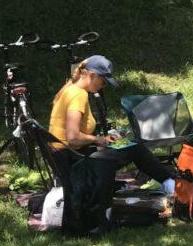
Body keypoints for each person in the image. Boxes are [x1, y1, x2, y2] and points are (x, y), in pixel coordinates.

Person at [48, 55, 176, 194]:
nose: (103, 86)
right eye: (103, 82)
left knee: (125, 146)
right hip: (72, 162)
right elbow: (73, 136)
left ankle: (167, 182)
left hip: (65, 157)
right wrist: (98, 140)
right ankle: (170, 184)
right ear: (92, 75)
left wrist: (101, 140)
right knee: (135, 149)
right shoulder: (79, 95)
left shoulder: (70, 89)